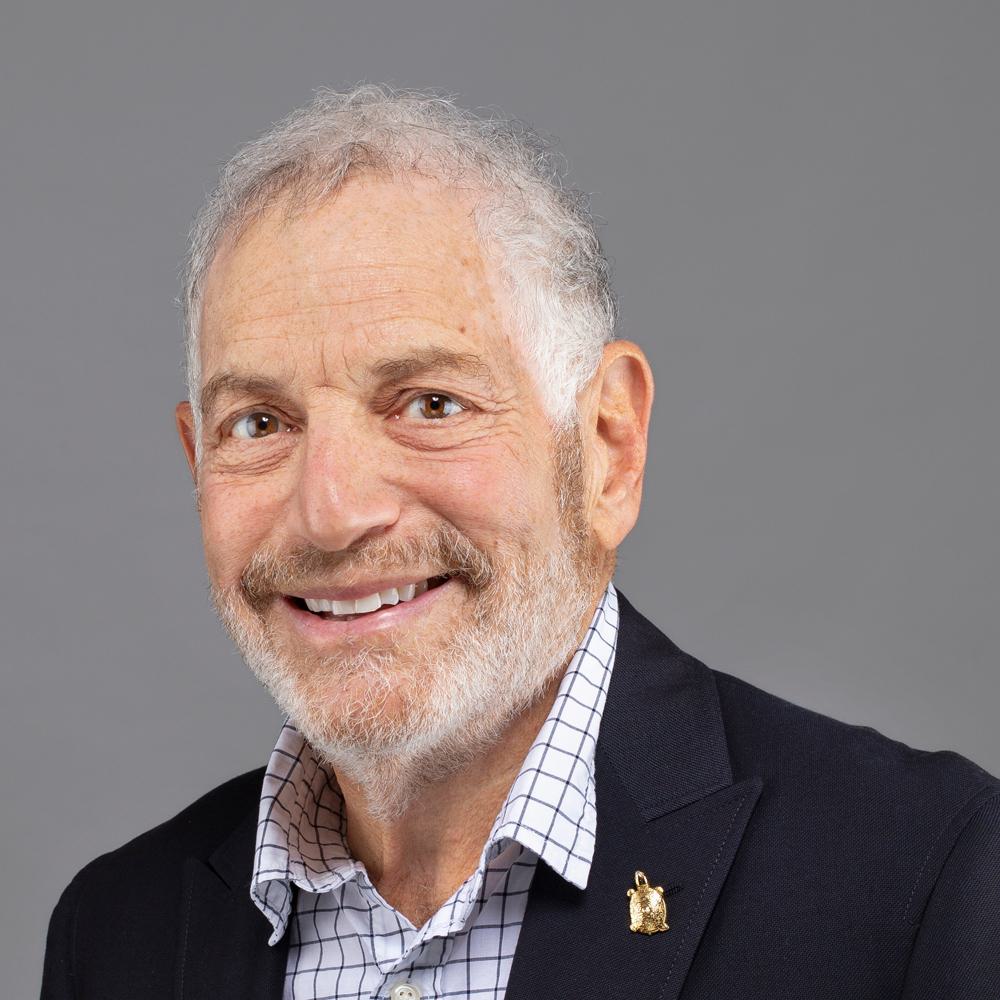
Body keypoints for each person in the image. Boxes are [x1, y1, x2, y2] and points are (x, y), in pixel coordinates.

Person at [41, 85, 999, 1000]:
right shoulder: (118, 933)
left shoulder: (922, 879)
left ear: (607, 449)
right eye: (258, 424)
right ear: (195, 461)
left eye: (430, 403)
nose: (331, 513)